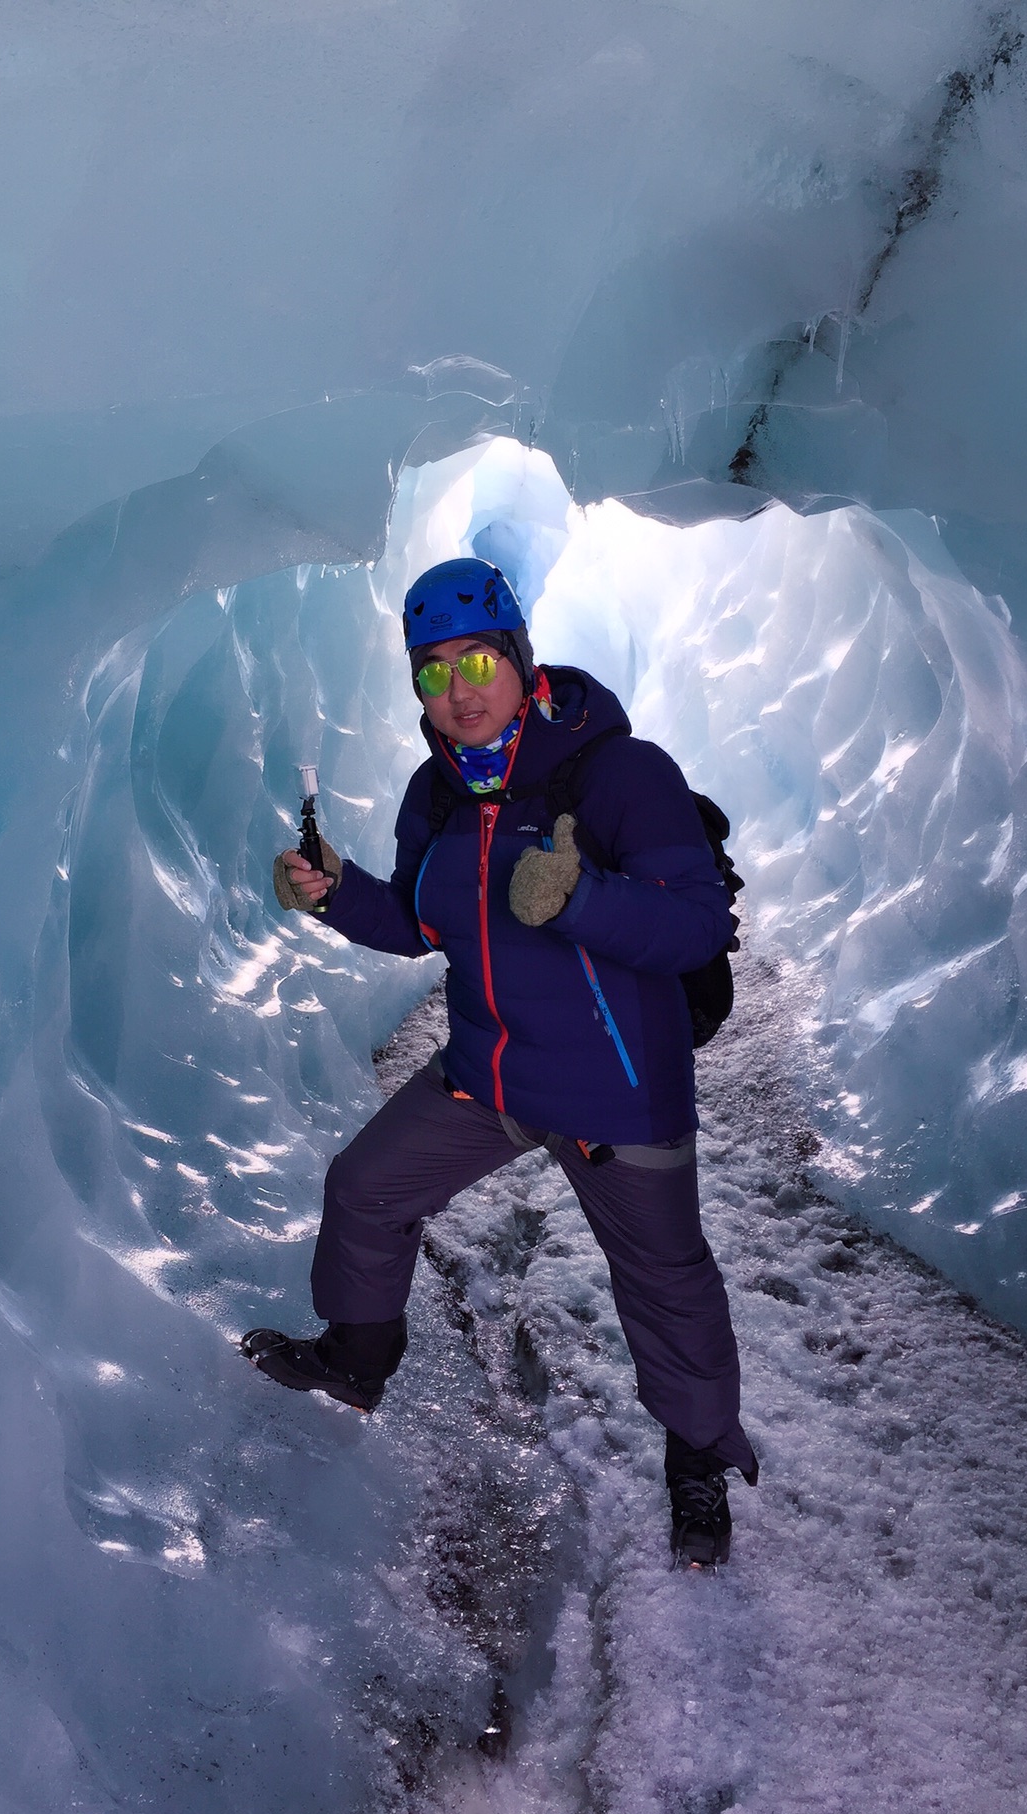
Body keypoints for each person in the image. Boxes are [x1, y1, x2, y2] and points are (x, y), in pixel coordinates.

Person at [244, 558, 757, 1570]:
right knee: (364, 1190)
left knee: (664, 1282)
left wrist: (579, 901)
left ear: (521, 659)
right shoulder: (436, 795)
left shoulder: (620, 773)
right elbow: (420, 921)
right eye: (432, 673)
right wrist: (336, 891)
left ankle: (697, 1455)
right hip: (492, 1076)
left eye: (478, 660)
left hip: (618, 1089)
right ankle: (356, 1360)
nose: (459, 690)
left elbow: (696, 924)